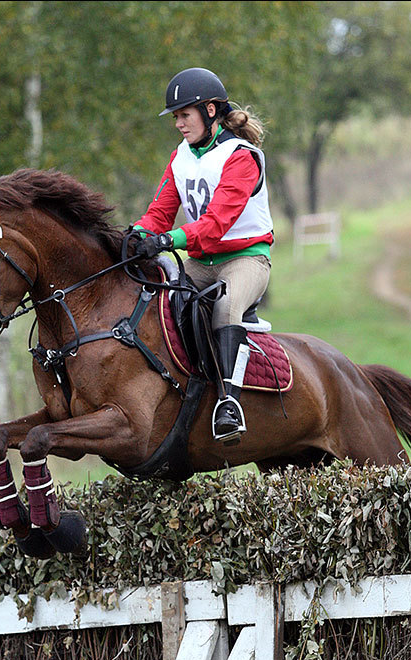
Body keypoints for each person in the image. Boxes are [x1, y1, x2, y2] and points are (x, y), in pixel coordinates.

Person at [133, 67, 274, 443]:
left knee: (226, 308)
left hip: (246, 259)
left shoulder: (242, 157)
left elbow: (216, 225)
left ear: (211, 111)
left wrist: (167, 240)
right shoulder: (180, 157)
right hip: (200, 263)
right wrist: (136, 235)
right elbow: (159, 212)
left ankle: (229, 403)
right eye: (176, 117)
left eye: (184, 115)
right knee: (151, 294)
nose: (179, 124)